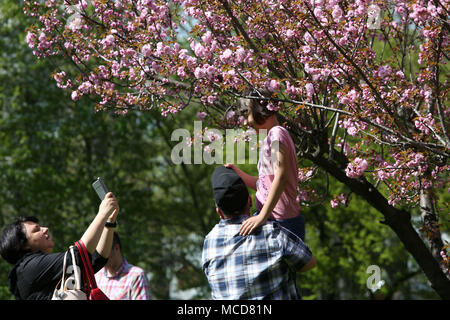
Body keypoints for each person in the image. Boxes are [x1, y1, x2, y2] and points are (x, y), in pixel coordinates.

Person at [202, 166, 316, 300]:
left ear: (219, 212)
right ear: (250, 201)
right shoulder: (272, 233)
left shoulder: (209, 243)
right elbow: (308, 263)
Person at [0, 192, 119, 300]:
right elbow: (78, 253)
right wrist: (102, 214)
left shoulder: (46, 271)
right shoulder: (26, 269)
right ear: (23, 245)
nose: (45, 229)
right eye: (36, 230)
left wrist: (109, 222)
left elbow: (96, 260)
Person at [225, 90, 305, 240]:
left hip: (283, 221)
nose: (246, 122)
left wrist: (262, 216)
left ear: (259, 110)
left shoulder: (277, 133)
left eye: (247, 114)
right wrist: (238, 173)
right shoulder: (270, 138)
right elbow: (264, 184)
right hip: (272, 217)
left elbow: (281, 177)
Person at [95, 232, 152, 300]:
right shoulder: (96, 276)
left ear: (116, 248)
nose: (99, 256)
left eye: (103, 252)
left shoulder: (136, 275)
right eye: (97, 253)